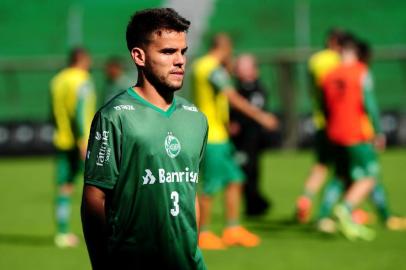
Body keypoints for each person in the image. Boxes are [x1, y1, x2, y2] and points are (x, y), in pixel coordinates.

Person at [81, 8, 207, 270]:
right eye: (167, 52)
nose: (180, 61)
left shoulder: (196, 118)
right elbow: (95, 198)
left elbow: (189, 190)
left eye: (182, 51)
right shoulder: (115, 117)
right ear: (139, 56)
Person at [192, 33, 278, 250]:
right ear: (226, 47)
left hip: (220, 134)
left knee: (235, 179)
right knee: (210, 186)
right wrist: (262, 116)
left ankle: (232, 229)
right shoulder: (211, 67)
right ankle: (203, 234)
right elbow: (232, 96)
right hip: (212, 138)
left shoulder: (203, 66)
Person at [322, 35, 382, 241]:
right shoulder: (360, 72)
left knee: (343, 177)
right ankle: (345, 209)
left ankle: (336, 219)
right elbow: (370, 104)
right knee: (368, 177)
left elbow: (325, 106)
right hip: (355, 132)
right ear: (356, 53)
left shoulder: (329, 75)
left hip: (334, 133)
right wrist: (378, 130)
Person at [295, 28, 345, 223]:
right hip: (336, 121)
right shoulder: (336, 61)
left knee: (321, 165)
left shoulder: (315, 60)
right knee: (344, 167)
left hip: (319, 120)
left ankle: (305, 199)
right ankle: (338, 209)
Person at [50, 47, 96, 248]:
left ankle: (62, 232)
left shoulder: (57, 80)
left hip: (61, 139)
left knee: (65, 187)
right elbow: (79, 112)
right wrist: (82, 141)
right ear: (83, 60)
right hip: (81, 142)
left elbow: (52, 112)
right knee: (100, 187)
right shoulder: (82, 80)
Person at [229, 54, 272, 216]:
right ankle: (255, 204)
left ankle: (256, 204)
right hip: (239, 139)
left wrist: (238, 122)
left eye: (245, 67)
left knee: (248, 171)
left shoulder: (256, 90)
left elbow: (252, 110)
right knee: (243, 171)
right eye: (239, 67)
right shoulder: (236, 89)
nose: (241, 71)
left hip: (250, 139)